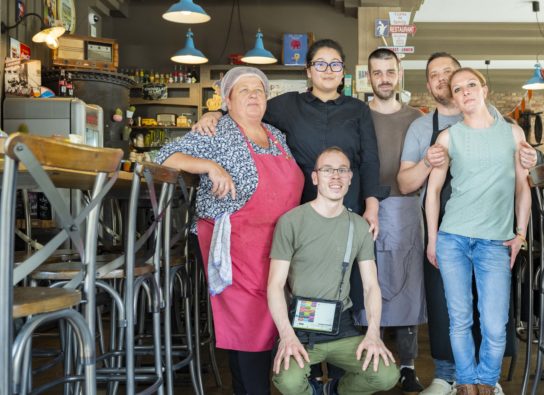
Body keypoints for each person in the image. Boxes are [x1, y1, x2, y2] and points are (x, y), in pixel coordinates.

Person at [193, 39, 387, 381]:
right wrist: (213, 113)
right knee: (302, 290)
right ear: (308, 71)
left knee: (348, 292)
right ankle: (307, 371)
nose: (329, 70)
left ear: (343, 72)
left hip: (347, 214)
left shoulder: (358, 109)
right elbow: (244, 108)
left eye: (336, 64)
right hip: (301, 217)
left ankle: (341, 374)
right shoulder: (285, 105)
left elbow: (369, 159)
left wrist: (371, 205)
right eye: (321, 64)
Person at [155, 67, 304, 395]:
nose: (253, 95)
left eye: (259, 91)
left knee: (270, 316)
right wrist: (210, 166)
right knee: (249, 322)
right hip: (234, 242)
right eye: (244, 90)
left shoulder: (276, 135)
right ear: (227, 100)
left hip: (276, 245)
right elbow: (164, 157)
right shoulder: (218, 130)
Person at [396, 52, 536, 395]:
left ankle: (486, 382)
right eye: (458, 89)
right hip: (453, 238)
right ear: (453, 98)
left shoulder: (513, 133)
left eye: (471, 85)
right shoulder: (445, 136)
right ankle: (466, 383)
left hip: (494, 241)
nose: (465, 92)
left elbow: (523, 188)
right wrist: (433, 239)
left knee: (494, 324)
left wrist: (521, 234)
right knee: (459, 321)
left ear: (484, 89)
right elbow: (432, 192)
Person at [267, 147, 399, 395]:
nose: (335, 176)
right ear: (315, 178)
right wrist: (286, 335)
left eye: (342, 170)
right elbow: (275, 284)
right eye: (327, 170)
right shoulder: (291, 222)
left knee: (386, 375)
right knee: (288, 381)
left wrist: (373, 333)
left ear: (350, 178)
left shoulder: (359, 226)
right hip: (301, 329)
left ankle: (335, 391)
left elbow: (371, 286)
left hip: (342, 327)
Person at [354, 48, 426, 393]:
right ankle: (375, 358)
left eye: (389, 71)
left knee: (408, 287)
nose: (383, 78)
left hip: (406, 206)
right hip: (365, 207)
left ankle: (408, 365)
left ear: (399, 74)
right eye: (376, 72)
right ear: (368, 76)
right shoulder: (357, 115)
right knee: (370, 283)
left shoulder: (418, 118)